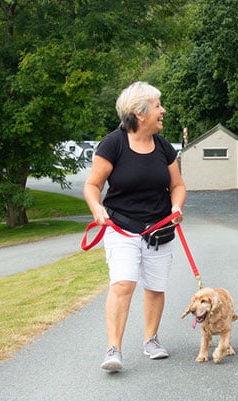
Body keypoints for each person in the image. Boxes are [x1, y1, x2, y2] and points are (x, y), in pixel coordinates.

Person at [83, 81, 186, 372]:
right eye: (157, 106)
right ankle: (113, 349)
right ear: (140, 114)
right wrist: (97, 208)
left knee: (155, 287)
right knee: (123, 284)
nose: (162, 110)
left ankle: (151, 340)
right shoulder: (113, 144)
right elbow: (92, 185)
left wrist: (177, 207)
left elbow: (177, 185)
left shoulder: (164, 147)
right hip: (122, 227)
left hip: (159, 229)